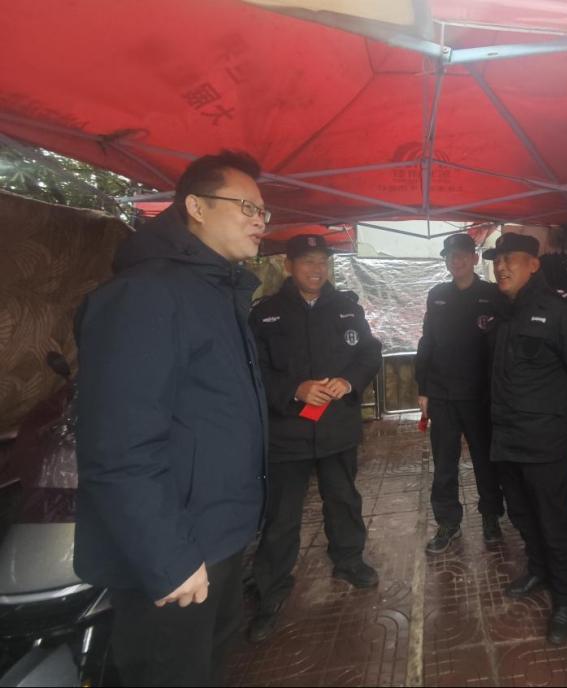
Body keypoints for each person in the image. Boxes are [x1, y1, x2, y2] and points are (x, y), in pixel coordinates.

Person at [74, 150, 269, 686]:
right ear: (196, 207)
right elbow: (118, 446)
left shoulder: (218, 292)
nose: (260, 220)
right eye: (246, 207)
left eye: (263, 211)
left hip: (219, 538)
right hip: (177, 555)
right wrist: (168, 558)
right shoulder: (145, 294)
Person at [246, 233, 383, 642]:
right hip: (287, 432)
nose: (316, 269)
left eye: (322, 261)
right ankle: (271, 588)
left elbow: (369, 353)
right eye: (307, 261)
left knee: (343, 498)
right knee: (282, 515)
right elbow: (253, 371)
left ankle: (349, 559)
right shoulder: (265, 314)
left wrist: (349, 380)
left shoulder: (346, 308)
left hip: (337, 427)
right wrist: (296, 389)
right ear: (289, 266)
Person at [484, 232, 567, 645]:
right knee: (522, 514)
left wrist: (554, 417)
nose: (501, 267)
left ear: (533, 264)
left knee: (555, 521)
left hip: (545, 442)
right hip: (505, 437)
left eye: (510, 259)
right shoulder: (500, 313)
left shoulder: (563, 313)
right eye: (497, 260)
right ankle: (539, 570)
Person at [415, 233, 506, 554]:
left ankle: (491, 517)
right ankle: (448, 522)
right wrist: (423, 388)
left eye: (463, 255)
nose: (457, 260)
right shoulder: (437, 295)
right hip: (442, 395)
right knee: (444, 464)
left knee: (485, 460)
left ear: (475, 258)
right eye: (451, 255)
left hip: (479, 396)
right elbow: (427, 341)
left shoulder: (492, 295)